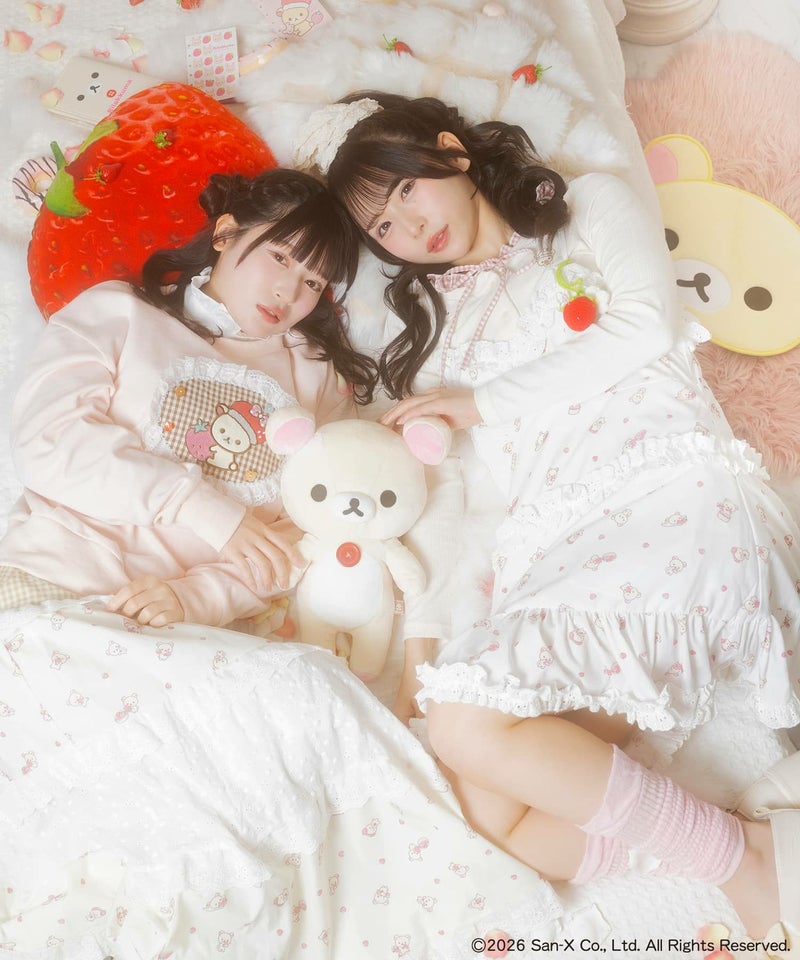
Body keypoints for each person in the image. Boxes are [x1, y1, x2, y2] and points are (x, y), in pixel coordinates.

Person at [292, 92, 800, 949]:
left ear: (451, 152)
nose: (408, 229)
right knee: (481, 819)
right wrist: (424, 648)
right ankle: (742, 843)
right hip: (563, 553)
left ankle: (745, 862)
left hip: (675, 501)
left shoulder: (586, 206)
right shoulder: (439, 343)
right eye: (383, 227)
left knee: (467, 728)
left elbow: (647, 323)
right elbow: (463, 510)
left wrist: (481, 403)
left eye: (407, 191)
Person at [0, 168, 375, 627]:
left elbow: (314, 530)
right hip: (54, 574)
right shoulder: (118, 312)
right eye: (279, 256)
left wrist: (196, 597)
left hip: (180, 625)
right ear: (225, 234)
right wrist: (196, 506)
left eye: (314, 282)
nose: (289, 292)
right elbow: (47, 443)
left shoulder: (315, 378)